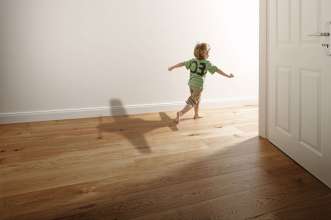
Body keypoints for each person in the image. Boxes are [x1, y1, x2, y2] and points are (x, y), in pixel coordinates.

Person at [168, 43, 234, 124]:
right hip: (198, 85)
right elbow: (217, 70)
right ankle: (180, 113)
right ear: (204, 53)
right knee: (193, 101)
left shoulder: (192, 61)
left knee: (196, 99)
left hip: (191, 83)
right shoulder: (207, 63)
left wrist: (173, 67)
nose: (209, 54)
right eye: (208, 52)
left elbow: (182, 63)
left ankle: (196, 114)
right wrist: (227, 75)